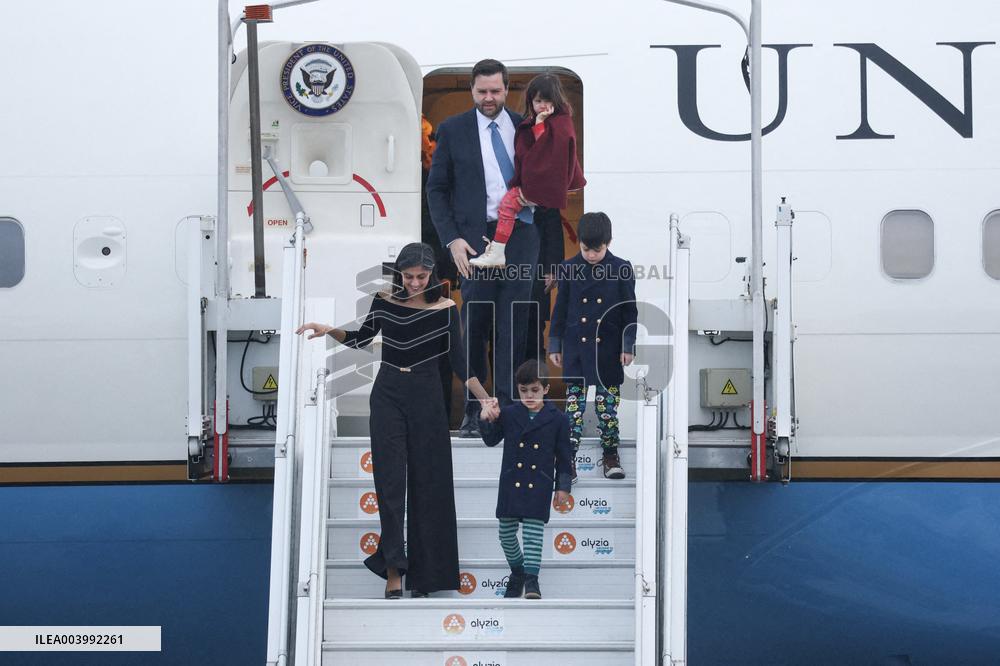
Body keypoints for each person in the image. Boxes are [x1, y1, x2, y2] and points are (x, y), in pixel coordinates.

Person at [296, 243, 491, 598]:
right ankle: (393, 569)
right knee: (389, 484)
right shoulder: (384, 300)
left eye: (422, 276)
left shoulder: (447, 308)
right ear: (398, 274)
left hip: (429, 395)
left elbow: (461, 363)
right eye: (409, 276)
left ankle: (429, 574)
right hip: (387, 393)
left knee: (428, 483)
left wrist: (484, 399)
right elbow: (361, 338)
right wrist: (329, 329)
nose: (415, 283)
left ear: (432, 274)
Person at [426, 58, 539, 436]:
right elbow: (437, 190)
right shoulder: (452, 129)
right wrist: (452, 240)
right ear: (472, 90)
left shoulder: (527, 129)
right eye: (481, 91)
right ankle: (475, 409)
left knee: (514, 326)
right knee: (473, 325)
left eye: (495, 91)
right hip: (474, 241)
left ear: (507, 90)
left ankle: (507, 408)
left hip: (521, 238)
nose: (488, 98)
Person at [548, 212, 638, 481]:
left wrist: (628, 344)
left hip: (608, 350)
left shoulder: (622, 268)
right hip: (576, 347)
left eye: (596, 249)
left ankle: (610, 455)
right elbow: (560, 309)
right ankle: (568, 461)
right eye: (586, 249)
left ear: (608, 242)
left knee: (606, 408)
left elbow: (629, 311)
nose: (590, 254)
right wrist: (555, 344)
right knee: (573, 410)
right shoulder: (568, 268)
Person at [478, 361, 573, 600]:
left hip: (538, 484)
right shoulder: (510, 413)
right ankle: (518, 571)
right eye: (523, 391)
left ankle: (532, 580)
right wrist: (484, 417)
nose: (529, 396)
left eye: (534, 390)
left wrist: (562, 487)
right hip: (511, 482)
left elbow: (564, 457)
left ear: (546, 389)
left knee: (532, 534)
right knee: (506, 534)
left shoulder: (559, 419)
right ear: (517, 390)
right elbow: (490, 440)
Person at [470, 73, 585, 269]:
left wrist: (539, 123)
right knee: (508, 207)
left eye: (547, 101)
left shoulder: (555, 124)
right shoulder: (556, 122)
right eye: (538, 100)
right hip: (540, 187)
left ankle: (497, 250)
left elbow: (544, 152)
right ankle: (497, 250)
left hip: (540, 187)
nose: (542, 105)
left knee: (506, 206)